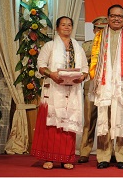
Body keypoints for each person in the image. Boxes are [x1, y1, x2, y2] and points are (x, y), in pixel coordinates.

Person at [31, 16, 89, 170]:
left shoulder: (78, 48)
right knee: (52, 125)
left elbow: (85, 69)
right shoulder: (49, 46)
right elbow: (41, 66)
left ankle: (67, 158)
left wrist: (82, 77)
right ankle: (49, 158)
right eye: (63, 25)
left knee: (68, 125)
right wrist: (52, 74)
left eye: (69, 25)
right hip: (54, 90)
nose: (67, 27)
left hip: (72, 91)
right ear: (57, 28)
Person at [89, 4, 123, 169]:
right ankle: (103, 156)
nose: (116, 18)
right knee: (104, 119)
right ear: (108, 17)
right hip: (105, 84)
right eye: (113, 15)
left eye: (120, 16)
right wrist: (96, 81)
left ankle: (122, 157)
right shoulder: (100, 36)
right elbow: (94, 61)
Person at [78, 16, 108, 163]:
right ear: (94, 29)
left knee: (108, 120)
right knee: (89, 120)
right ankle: (84, 151)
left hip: (108, 86)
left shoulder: (113, 44)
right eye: (98, 29)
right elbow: (82, 63)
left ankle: (108, 152)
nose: (100, 32)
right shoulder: (87, 46)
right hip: (91, 85)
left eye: (103, 29)